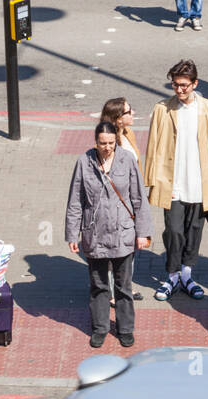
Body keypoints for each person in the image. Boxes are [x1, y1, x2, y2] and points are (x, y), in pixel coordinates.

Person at [144, 60, 208, 302]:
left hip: (201, 183)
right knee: (173, 231)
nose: (179, 90)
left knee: (194, 230)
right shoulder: (163, 109)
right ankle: (172, 275)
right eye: (175, 85)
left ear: (195, 84)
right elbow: (152, 147)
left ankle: (186, 274)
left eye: (184, 85)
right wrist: (151, 180)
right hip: (171, 183)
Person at [65, 120, 152, 350]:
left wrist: (143, 233)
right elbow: (75, 201)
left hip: (123, 233)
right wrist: (72, 234)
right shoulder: (84, 162)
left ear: (116, 140)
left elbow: (139, 199)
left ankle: (125, 329)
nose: (107, 147)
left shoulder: (127, 160)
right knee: (99, 285)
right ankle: (100, 328)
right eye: (102, 143)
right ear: (95, 142)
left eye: (111, 142)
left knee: (123, 286)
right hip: (95, 235)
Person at [99, 96, 145, 302]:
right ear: (118, 118)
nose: (132, 113)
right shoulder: (108, 143)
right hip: (115, 205)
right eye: (128, 111)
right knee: (113, 249)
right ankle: (112, 292)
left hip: (131, 202)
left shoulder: (128, 135)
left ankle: (125, 287)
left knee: (128, 247)